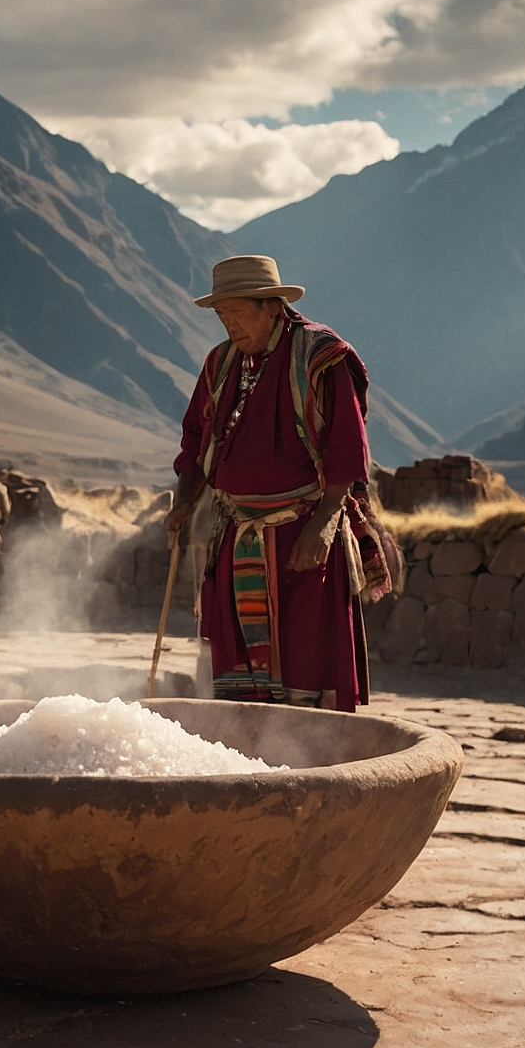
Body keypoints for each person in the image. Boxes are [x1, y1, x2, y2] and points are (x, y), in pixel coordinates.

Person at [166, 255, 400, 710]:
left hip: (302, 538)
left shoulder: (319, 357)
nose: (229, 324)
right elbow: (196, 439)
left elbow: (347, 449)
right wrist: (184, 501)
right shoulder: (220, 364)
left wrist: (323, 525)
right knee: (236, 680)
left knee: (304, 666)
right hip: (235, 540)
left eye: (238, 312)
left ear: (272, 305)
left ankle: (310, 765)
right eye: (221, 314)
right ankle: (242, 757)